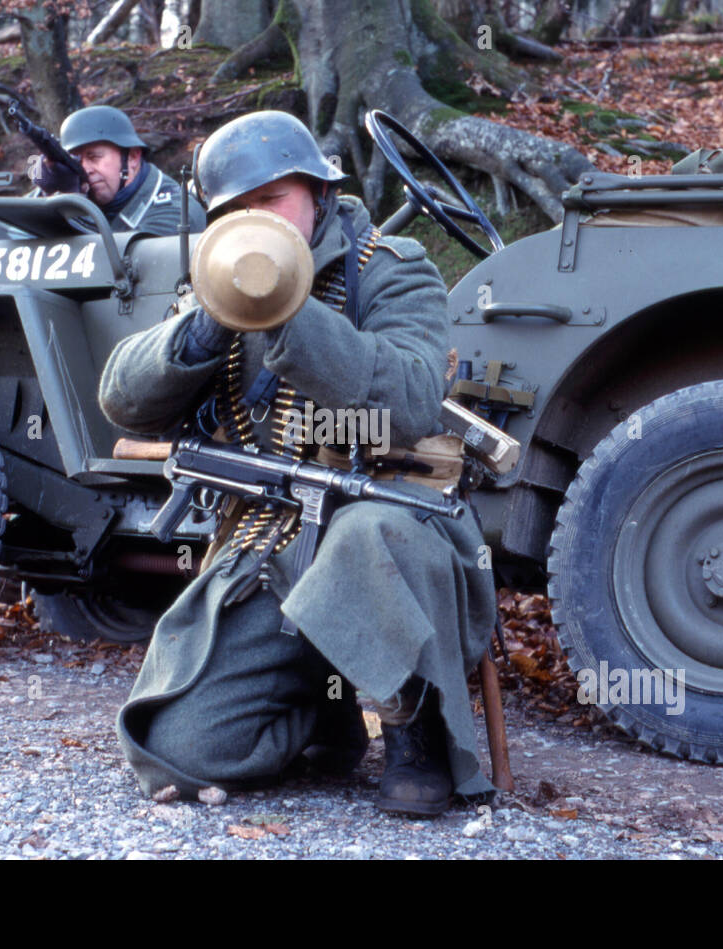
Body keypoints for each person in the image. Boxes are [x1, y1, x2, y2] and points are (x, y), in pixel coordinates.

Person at [97, 110, 497, 816]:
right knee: (179, 751)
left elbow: (408, 401)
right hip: (270, 543)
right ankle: (323, 704)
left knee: (365, 535)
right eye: (238, 210)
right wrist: (204, 324)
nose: (260, 221)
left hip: (391, 531)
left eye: (273, 199)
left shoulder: (392, 269)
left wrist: (289, 309)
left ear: (316, 191)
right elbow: (121, 401)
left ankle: (414, 725)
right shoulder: (218, 284)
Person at [32, 104, 206, 236]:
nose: (84, 169)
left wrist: (72, 205)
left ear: (132, 157)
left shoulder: (176, 212)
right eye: (75, 160)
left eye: (94, 157)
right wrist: (47, 196)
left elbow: (117, 269)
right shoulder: (81, 190)